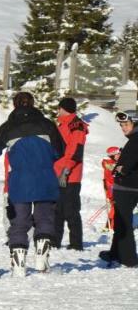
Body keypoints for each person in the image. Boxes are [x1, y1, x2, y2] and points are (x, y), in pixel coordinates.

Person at [0, 91, 64, 275]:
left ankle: (19, 265)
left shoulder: (8, 127)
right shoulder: (47, 124)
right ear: (33, 103)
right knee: (44, 218)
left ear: (15, 105)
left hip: (20, 182)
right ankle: (41, 259)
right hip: (45, 179)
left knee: (19, 222)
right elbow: (61, 150)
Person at [100, 112, 138, 268]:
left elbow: (126, 164)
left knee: (124, 223)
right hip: (131, 187)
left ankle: (129, 259)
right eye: (121, 125)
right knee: (120, 222)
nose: (123, 128)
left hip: (127, 187)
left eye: (126, 124)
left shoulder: (135, 140)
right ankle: (115, 252)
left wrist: (119, 170)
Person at [52, 97, 89, 251]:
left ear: (63, 108)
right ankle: (55, 241)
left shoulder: (76, 125)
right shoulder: (63, 124)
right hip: (57, 172)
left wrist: (66, 170)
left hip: (70, 175)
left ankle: (76, 244)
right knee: (57, 210)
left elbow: (75, 150)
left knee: (71, 210)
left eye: (59, 108)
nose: (57, 111)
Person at [102, 146, 121, 232]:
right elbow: (112, 177)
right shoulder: (110, 164)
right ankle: (111, 226)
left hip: (115, 188)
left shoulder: (114, 163)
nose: (120, 155)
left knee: (116, 207)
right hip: (112, 189)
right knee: (116, 206)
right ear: (113, 155)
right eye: (118, 154)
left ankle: (110, 225)